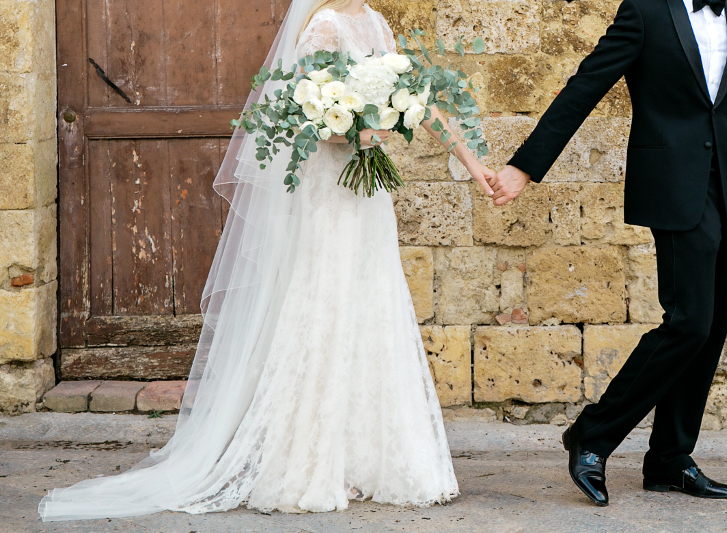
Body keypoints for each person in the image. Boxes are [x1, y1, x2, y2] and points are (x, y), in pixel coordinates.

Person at [39, 0, 496, 520]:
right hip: (327, 194)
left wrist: (473, 164)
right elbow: (302, 114)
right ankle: (306, 461)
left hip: (367, 199)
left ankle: (374, 457)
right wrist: (355, 133)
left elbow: (419, 97)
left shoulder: (374, 21)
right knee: (324, 304)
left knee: (373, 304)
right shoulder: (321, 28)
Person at [489, 0, 727, 506]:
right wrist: (524, 168)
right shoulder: (646, 13)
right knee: (689, 322)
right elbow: (585, 87)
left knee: (711, 328)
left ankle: (670, 460)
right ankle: (592, 434)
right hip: (674, 188)